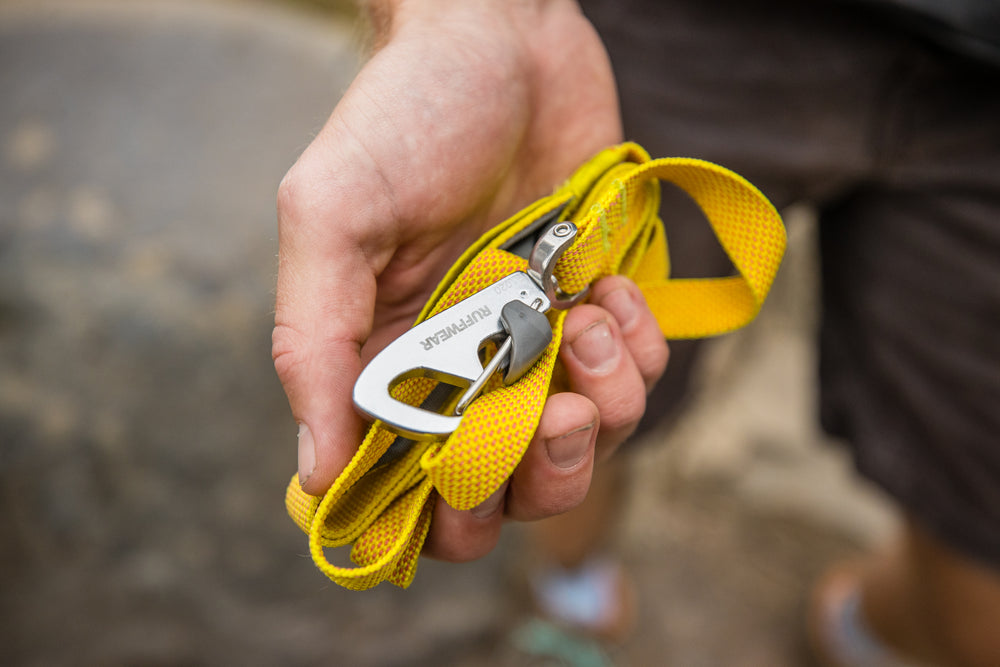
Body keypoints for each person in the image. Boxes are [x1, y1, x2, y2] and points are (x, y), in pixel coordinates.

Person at [273, 1, 1000, 664]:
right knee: (576, 388)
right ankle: (573, 590)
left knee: (977, 553)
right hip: (675, 29)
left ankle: (875, 629)